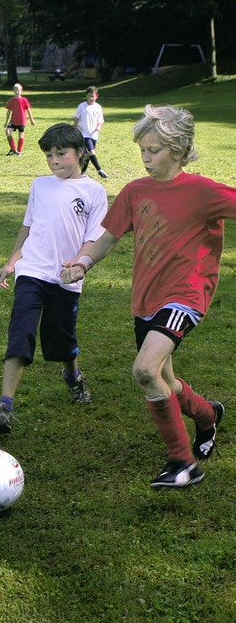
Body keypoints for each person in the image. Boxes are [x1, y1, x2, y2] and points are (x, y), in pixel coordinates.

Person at [61, 104, 233, 490]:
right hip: (146, 299)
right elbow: (107, 237)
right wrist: (83, 262)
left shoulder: (203, 191)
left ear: (177, 148)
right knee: (165, 384)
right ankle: (208, 415)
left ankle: (183, 463)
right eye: (142, 149)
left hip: (185, 297)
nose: (146, 157)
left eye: (153, 150)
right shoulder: (135, 191)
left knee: (143, 370)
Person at [0, 123, 108, 435]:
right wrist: (12, 262)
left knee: (61, 342)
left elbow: (94, 238)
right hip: (32, 272)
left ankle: (72, 375)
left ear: (80, 153)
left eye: (61, 154)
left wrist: (80, 266)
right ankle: (5, 405)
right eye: (49, 155)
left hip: (65, 279)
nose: (54, 161)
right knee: (21, 332)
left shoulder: (94, 192)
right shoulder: (40, 186)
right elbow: (27, 228)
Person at [72, 86, 107, 178]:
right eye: (89, 96)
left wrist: (98, 127)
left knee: (88, 154)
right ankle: (99, 169)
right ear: (86, 96)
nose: (91, 98)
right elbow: (76, 117)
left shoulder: (98, 107)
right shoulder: (82, 106)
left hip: (93, 134)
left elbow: (100, 120)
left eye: (92, 96)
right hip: (84, 133)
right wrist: (75, 127)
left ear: (96, 96)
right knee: (91, 151)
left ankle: (83, 172)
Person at [4, 83, 36, 156]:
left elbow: (28, 110)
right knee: (7, 131)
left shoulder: (24, 100)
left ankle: (19, 151)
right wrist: (6, 122)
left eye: (18, 89)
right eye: (15, 89)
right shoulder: (11, 100)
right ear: (13, 90)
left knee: (21, 135)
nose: (16, 91)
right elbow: (8, 112)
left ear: (21, 91)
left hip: (21, 120)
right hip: (13, 120)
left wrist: (31, 120)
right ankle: (13, 149)